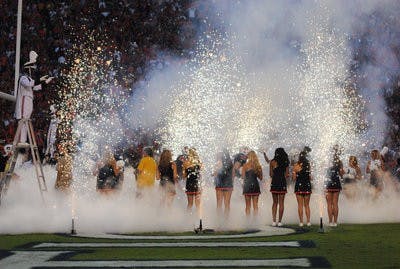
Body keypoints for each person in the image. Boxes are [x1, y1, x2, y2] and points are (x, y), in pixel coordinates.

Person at [15, 51, 53, 145]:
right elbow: (30, 84)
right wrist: (39, 80)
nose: (32, 71)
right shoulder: (23, 78)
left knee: (26, 120)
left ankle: (23, 140)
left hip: (29, 101)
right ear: (28, 69)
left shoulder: (30, 79)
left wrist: (46, 82)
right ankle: (22, 141)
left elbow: (37, 87)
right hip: (24, 100)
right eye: (31, 69)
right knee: (23, 120)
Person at [269, 148, 289, 227]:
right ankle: (280, 221)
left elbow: (270, 174)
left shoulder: (272, 162)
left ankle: (274, 221)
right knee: (281, 203)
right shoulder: (285, 162)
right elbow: (287, 174)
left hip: (274, 182)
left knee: (274, 203)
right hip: (282, 182)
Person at [292, 148, 312, 227]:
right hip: (307, 185)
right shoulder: (308, 164)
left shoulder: (296, 165)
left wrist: (295, 173)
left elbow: (294, 179)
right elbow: (310, 177)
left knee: (300, 205)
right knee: (307, 205)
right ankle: (308, 221)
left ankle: (301, 222)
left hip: (299, 186)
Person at [325, 147, 344, 227]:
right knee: (335, 203)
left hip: (328, 183)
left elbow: (324, 172)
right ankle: (335, 222)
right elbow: (341, 174)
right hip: (336, 183)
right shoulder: (339, 162)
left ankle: (330, 222)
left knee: (329, 203)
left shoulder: (327, 161)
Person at [213, 149, 233, 217]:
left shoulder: (219, 162)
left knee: (219, 203)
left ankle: (219, 221)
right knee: (227, 204)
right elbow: (232, 173)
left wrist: (213, 174)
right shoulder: (230, 162)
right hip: (228, 184)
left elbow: (216, 173)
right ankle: (225, 221)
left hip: (220, 184)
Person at [242, 150, 263, 216]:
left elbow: (243, 177)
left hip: (247, 186)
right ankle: (255, 221)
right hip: (255, 185)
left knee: (248, 206)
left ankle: (248, 222)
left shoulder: (245, 166)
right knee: (255, 205)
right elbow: (261, 178)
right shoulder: (258, 166)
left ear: (249, 157)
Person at [183, 148, 202, 214]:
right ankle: (198, 218)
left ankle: (187, 219)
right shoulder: (199, 162)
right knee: (198, 204)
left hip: (189, 184)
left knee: (190, 204)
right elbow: (201, 173)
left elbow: (184, 176)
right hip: (197, 183)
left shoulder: (186, 163)